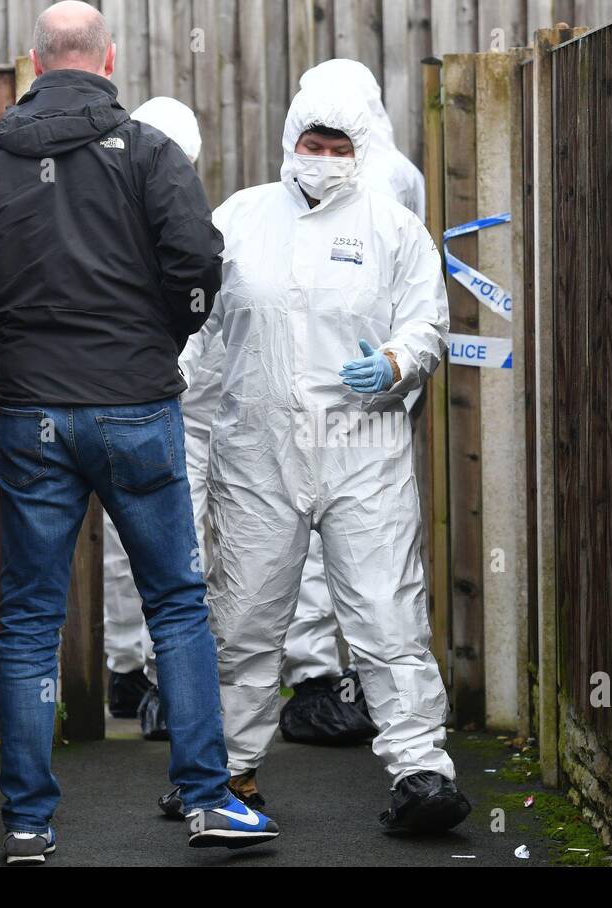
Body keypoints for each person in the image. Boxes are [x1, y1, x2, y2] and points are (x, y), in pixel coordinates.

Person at [0, 0, 278, 863]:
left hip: (34, 415)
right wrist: (152, 341)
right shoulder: (151, 154)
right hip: (137, 407)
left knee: (28, 621)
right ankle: (207, 801)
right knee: (177, 606)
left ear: (38, 64)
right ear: (109, 60)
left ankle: (25, 822)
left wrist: (22, 347)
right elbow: (199, 265)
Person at [174, 83, 471, 832]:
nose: (326, 161)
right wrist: (173, 394)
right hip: (257, 453)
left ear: (360, 151)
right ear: (290, 144)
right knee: (243, 617)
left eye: (341, 149)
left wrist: (398, 363)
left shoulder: (394, 229)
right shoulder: (239, 220)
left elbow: (427, 324)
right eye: (315, 146)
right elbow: (195, 333)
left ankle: (422, 774)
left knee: (386, 612)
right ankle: (222, 774)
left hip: (360, 447)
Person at [274, 59, 431, 747]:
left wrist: (393, 365)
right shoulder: (387, 175)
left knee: (350, 556)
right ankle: (365, 696)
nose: (328, 156)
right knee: (379, 558)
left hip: (354, 394)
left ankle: (327, 684)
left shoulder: (383, 184)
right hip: (360, 398)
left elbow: (412, 291)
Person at [102, 97, 204, 743]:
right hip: (158, 403)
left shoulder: (94, 216)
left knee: (127, 547)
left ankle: (131, 675)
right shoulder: (191, 221)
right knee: (173, 554)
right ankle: (168, 696)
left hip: (110, 400)